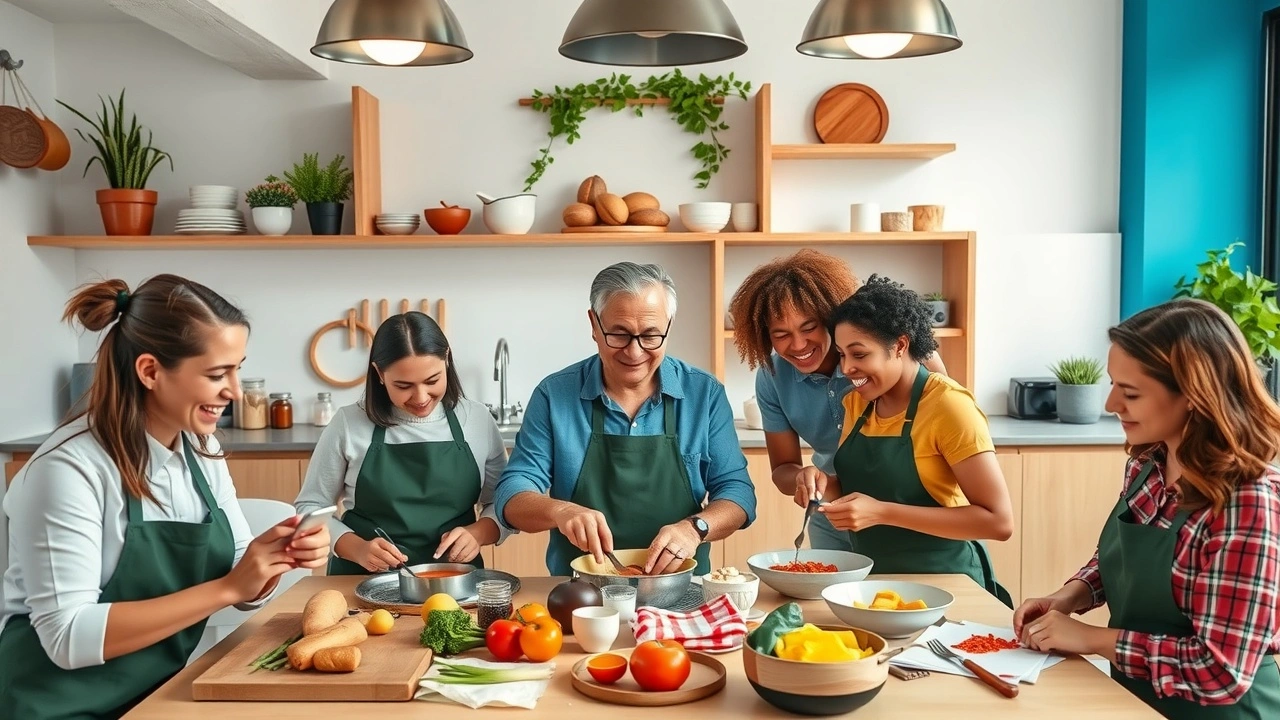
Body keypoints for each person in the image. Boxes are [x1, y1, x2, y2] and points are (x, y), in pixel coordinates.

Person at [0, 275, 330, 720]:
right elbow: (68, 637)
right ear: (151, 371)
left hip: (154, 697)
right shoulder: (67, 470)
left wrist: (269, 561)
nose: (234, 390)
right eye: (216, 374)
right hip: (54, 705)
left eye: (237, 368)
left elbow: (237, 577)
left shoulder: (201, 449)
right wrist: (229, 587)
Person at [1014, 298, 1280, 718]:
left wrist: (1093, 639)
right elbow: (1118, 560)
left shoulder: (1247, 501)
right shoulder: (1148, 463)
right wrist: (1068, 597)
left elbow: (1221, 672)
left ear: (1194, 395)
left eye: (1130, 392)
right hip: (1133, 703)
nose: (1110, 404)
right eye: (1113, 384)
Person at [494, 262, 757, 577]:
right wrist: (560, 511)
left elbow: (737, 493)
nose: (635, 352)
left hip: (684, 588)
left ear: (669, 326)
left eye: (650, 335)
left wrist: (695, 528)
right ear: (594, 324)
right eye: (618, 334)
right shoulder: (555, 395)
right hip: (581, 593)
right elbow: (512, 493)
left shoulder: (704, 394)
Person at [803, 275, 1014, 604]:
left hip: (948, 586)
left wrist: (883, 513)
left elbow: (998, 521)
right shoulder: (858, 403)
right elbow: (859, 487)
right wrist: (821, 482)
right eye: (842, 355)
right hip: (877, 587)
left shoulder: (949, 406)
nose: (846, 369)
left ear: (900, 345)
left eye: (859, 354)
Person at [727, 249, 947, 552]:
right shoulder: (773, 377)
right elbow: (783, 470)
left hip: (910, 513)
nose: (798, 345)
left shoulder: (893, 354)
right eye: (781, 334)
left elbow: (946, 416)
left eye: (809, 327)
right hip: (834, 514)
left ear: (832, 315)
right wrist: (806, 478)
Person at [296, 312, 509, 574]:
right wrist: (356, 548)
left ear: (447, 360)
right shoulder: (349, 423)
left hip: (453, 582)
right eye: (403, 385)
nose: (421, 397)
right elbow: (310, 508)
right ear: (379, 374)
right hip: (360, 581)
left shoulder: (476, 419)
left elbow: (503, 504)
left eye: (432, 381)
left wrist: (477, 533)